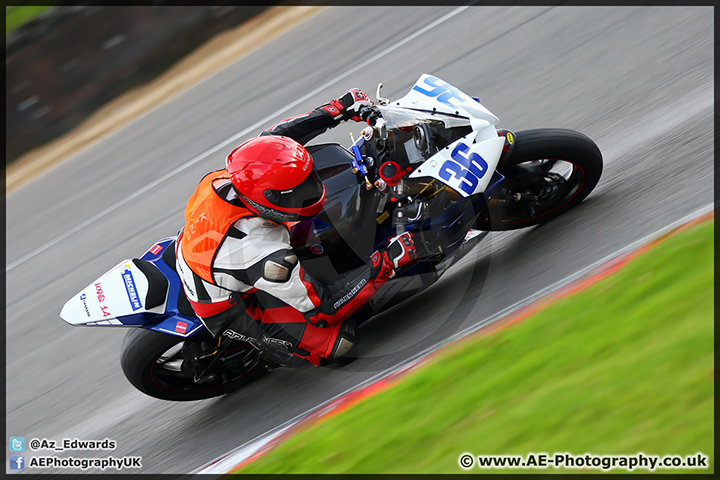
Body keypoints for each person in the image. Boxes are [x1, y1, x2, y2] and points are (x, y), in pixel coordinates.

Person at [175, 89, 417, 370]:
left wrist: (338, 108)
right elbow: (324, 310)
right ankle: (267, 349)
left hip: (209, 243)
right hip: (231, 304)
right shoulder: (263, 253)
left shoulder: (246, 171)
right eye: (297, 192)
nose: (311, 188)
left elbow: (279, 137)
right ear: (268, 201)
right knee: (342, 344)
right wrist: (387, 262)